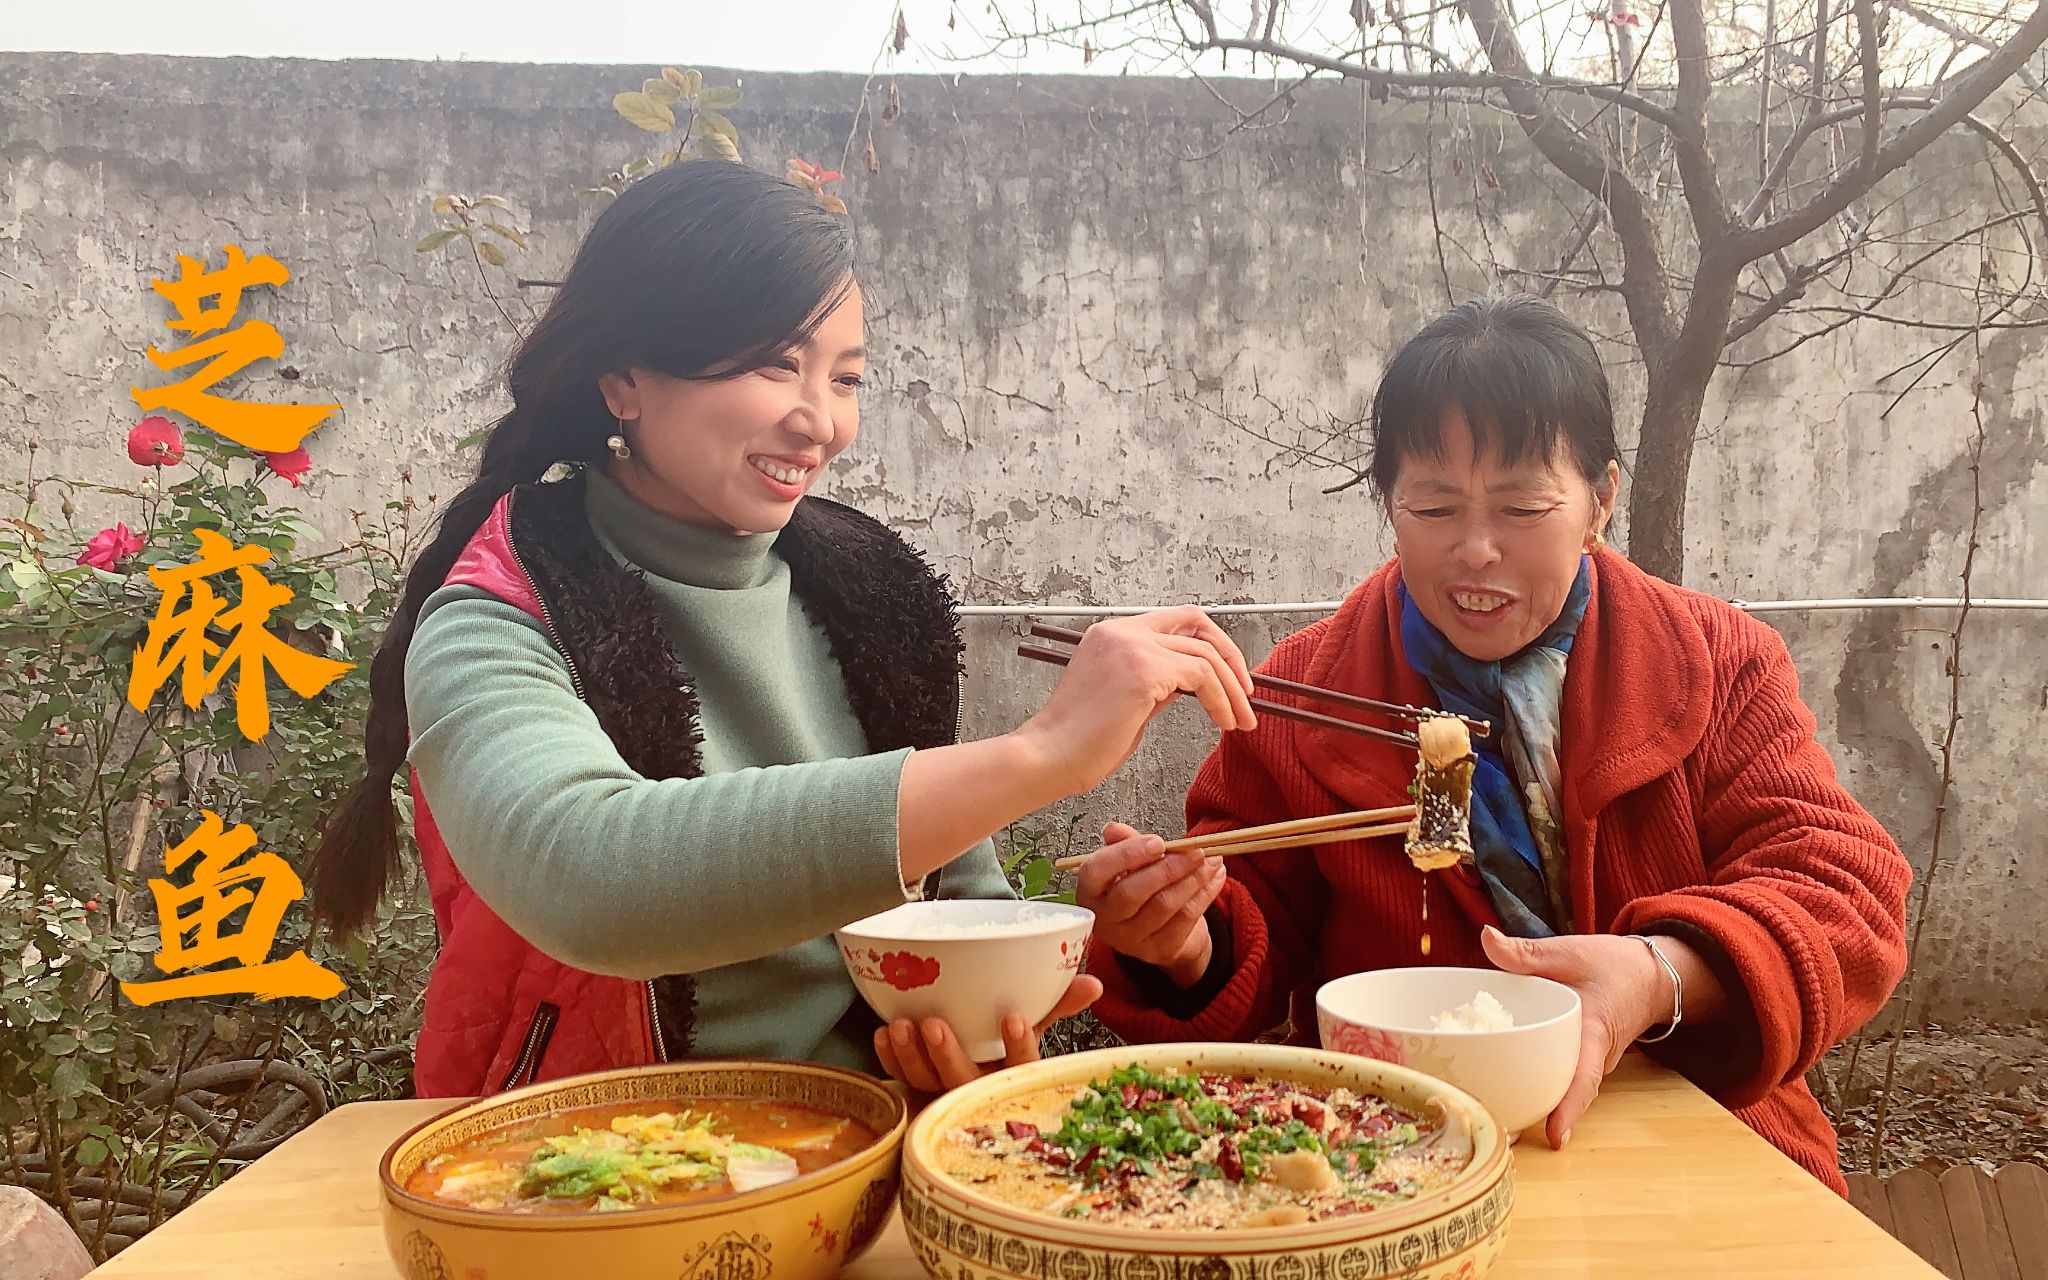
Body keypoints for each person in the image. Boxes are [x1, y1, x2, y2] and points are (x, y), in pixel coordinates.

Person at [309, 161, 1259, 1099]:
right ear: (623, 380)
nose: (821, 421)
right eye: (776, 363)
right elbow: (585, 872)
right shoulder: (498, 613)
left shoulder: (873, 592)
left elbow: (963, 909)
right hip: (600, 1172)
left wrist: (1014, 999)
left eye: (845, 379)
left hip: (868, 1153)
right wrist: (1043, 753)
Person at [1074, 294, 1910, 1193]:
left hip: (1694, 1137)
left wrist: (1656, 974)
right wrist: (1183, 943)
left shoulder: (1718, 663)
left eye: (1521, 507)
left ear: (1600, 500)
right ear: (1389, 505)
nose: (1474, 550)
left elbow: (1844, 889)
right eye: (1433, 508)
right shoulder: (1307, 691)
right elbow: (1251, 922)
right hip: (1395, 1153)